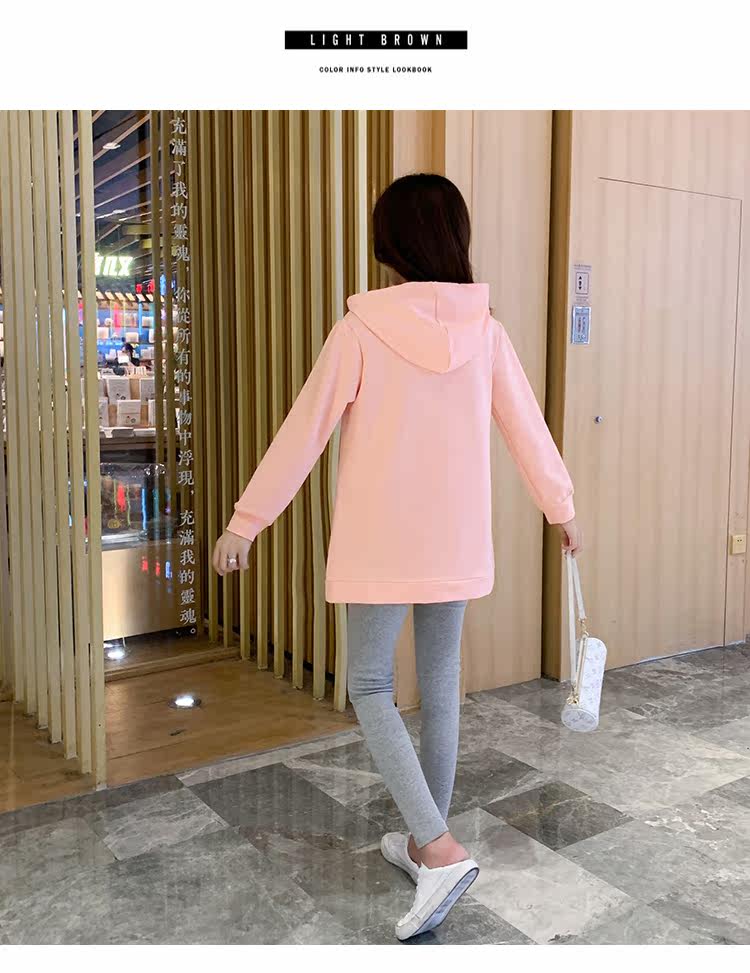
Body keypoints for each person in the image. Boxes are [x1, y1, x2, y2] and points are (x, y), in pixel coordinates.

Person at [213, 173, 582, 941]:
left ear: (390, 244)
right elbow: (527, 428)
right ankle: (423, 843)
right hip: (455, 538)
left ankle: (439, 849)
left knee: (372, 685)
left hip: (381, 541)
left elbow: (304, 431)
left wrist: (247, 521)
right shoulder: (486, 332)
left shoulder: (362, 329)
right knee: (440, 685)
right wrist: (562, 507)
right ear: (454, 236)